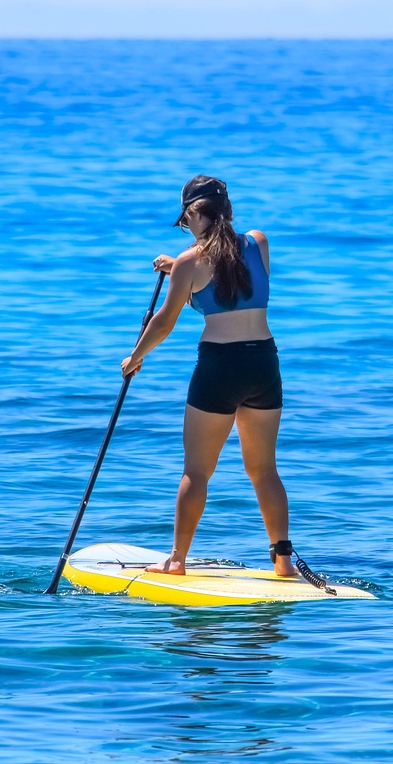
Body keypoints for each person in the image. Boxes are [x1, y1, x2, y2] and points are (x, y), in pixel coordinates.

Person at [120, 175, 298, 578]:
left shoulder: (189, 262)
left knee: (196, 471)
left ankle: (177, 560)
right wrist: (179, 265)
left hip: (220, 367)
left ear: (194, 213)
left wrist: (136, 356)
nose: (188, 226)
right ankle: (283, 561)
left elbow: (164, 323)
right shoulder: (258, 242)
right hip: (264, 364)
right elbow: (230, 270)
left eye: (187, 220)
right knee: (264, 470)